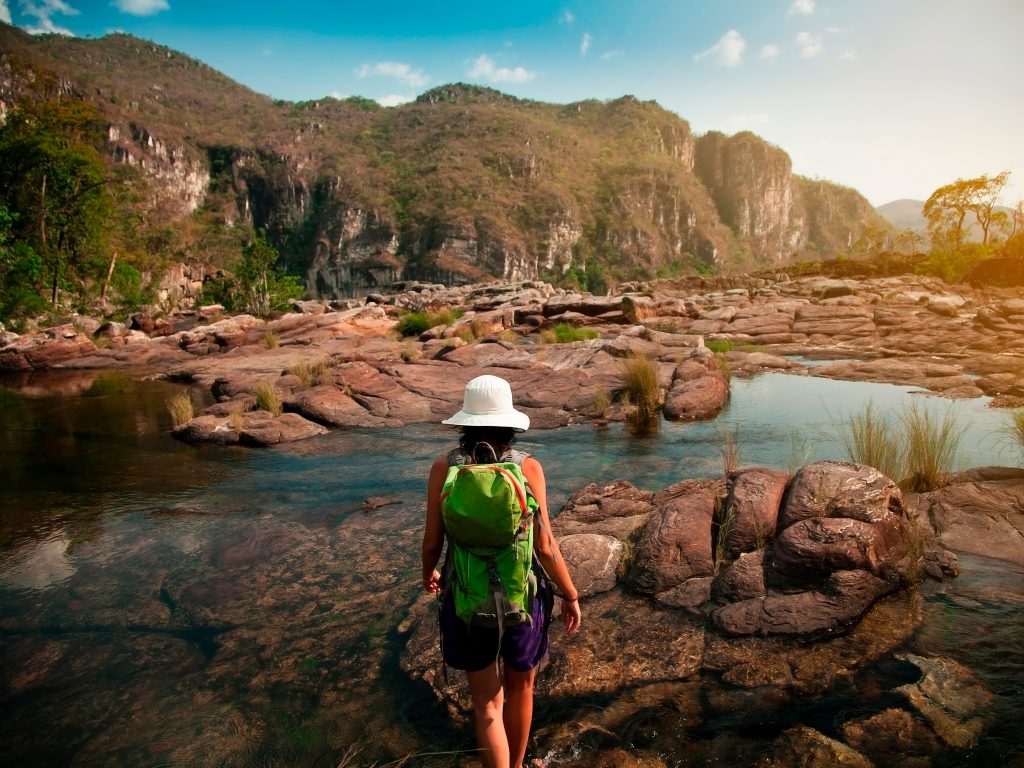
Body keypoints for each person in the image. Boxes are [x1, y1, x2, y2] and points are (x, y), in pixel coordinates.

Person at [422, 374, 582, 768]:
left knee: (485, 704)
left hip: (466, 599)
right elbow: (545, 547)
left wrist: (429, 574)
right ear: (511, 424)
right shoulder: (528, 468)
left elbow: (432, 541)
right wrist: (571, 594)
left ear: (463, 423)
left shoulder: (445, 468)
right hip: (522, 598)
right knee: (521, 688)